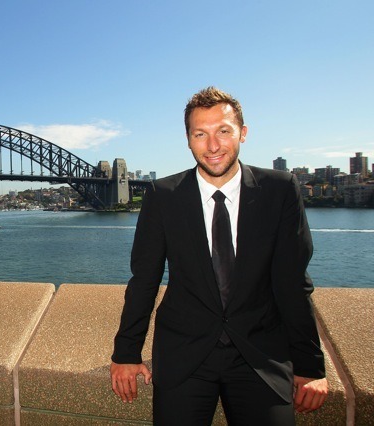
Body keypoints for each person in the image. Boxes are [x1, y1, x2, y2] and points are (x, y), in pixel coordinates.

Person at [110, 87, 328, 425]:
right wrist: (126, 353)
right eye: (201, 134)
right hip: (185, 356)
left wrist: (310, 365)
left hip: (260, 356)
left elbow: (292, 282)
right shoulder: (163, 196)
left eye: (223, 131)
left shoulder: (280, 189)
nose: (213, 146)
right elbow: (144, 280)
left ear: (243, 132)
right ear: (188, 140)